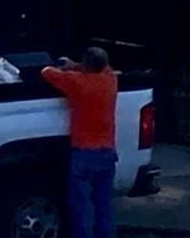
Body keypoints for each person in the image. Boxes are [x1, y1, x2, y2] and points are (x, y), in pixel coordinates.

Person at [42, 47, 118, 238]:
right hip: (107, 152)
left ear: (85, 64)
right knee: (104, 205)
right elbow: (106, 68)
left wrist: (67, 65)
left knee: (81, 207)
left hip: (83, 152)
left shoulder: (76, 82)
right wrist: (77, 65)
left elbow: (46, 72)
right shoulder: (111, 80)